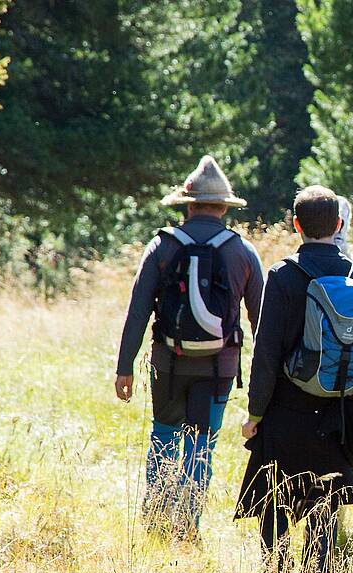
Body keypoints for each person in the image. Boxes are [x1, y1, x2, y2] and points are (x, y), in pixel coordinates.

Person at [234, 185, 353, 573]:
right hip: (337, 410)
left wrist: (256, 412)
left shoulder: (284, 275)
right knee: (324, 503)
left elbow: (265, 351)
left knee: (274, 501)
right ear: (338, 225)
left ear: (296, 225)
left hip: (286, 408)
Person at [114, 155, 264, 541]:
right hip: (220, 367)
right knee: (201, 445)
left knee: (164, 437)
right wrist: (266, 384)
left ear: (188, 203)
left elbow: (138, 311)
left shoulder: (162, 246)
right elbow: (261, 321)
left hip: (168, 362)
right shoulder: (243, 252)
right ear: (224, 208)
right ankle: (188, 526)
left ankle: (156, 522)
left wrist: (124, 366)